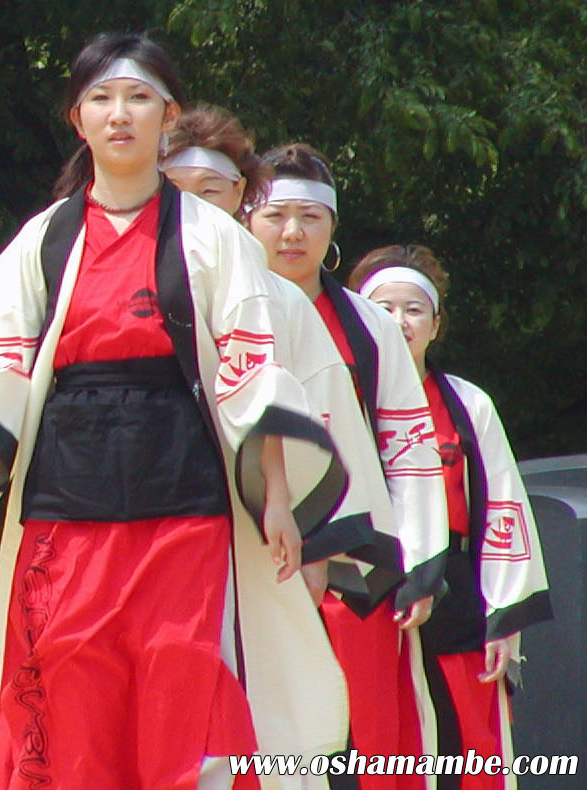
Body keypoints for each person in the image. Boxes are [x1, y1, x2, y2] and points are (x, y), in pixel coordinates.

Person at [0, 32, 350, 789]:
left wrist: (277, 497)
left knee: (176, 675)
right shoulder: (42, 241)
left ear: (168, 113)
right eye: (101, 98)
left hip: (182, 500)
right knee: (65, 676)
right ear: (76, 118)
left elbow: (253, 375)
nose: (120, 114)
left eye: (139, 97)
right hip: (64, 502)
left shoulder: (217, 239)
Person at [249, 144, 448, 789]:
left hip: (353, 563)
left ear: (332, 230)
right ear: (249, 218)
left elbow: (408, 447)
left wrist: (418, 559)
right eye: (277, 214)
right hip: (247, 554)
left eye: (311, 216)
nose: (293, 232)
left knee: (365, 740)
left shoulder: (370, 326)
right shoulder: (225, 312)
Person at [164, 106, 393, 608]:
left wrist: (316, 538)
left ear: (239, 197)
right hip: (145, 509)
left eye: (209, 190)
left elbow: (324, 418)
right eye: (176, 189)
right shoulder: (109, 280)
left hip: (253, 520)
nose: (193, 207)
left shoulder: (283, 301)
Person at [351, 245, 552, 790]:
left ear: (437, 323)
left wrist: (504, 617)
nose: (398, 321)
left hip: (455, 597)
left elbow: (503, 506)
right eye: (382, 307)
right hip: (362, 595)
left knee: (465, 752)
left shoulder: (468, 404)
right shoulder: (340, 399)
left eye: (414, 308)